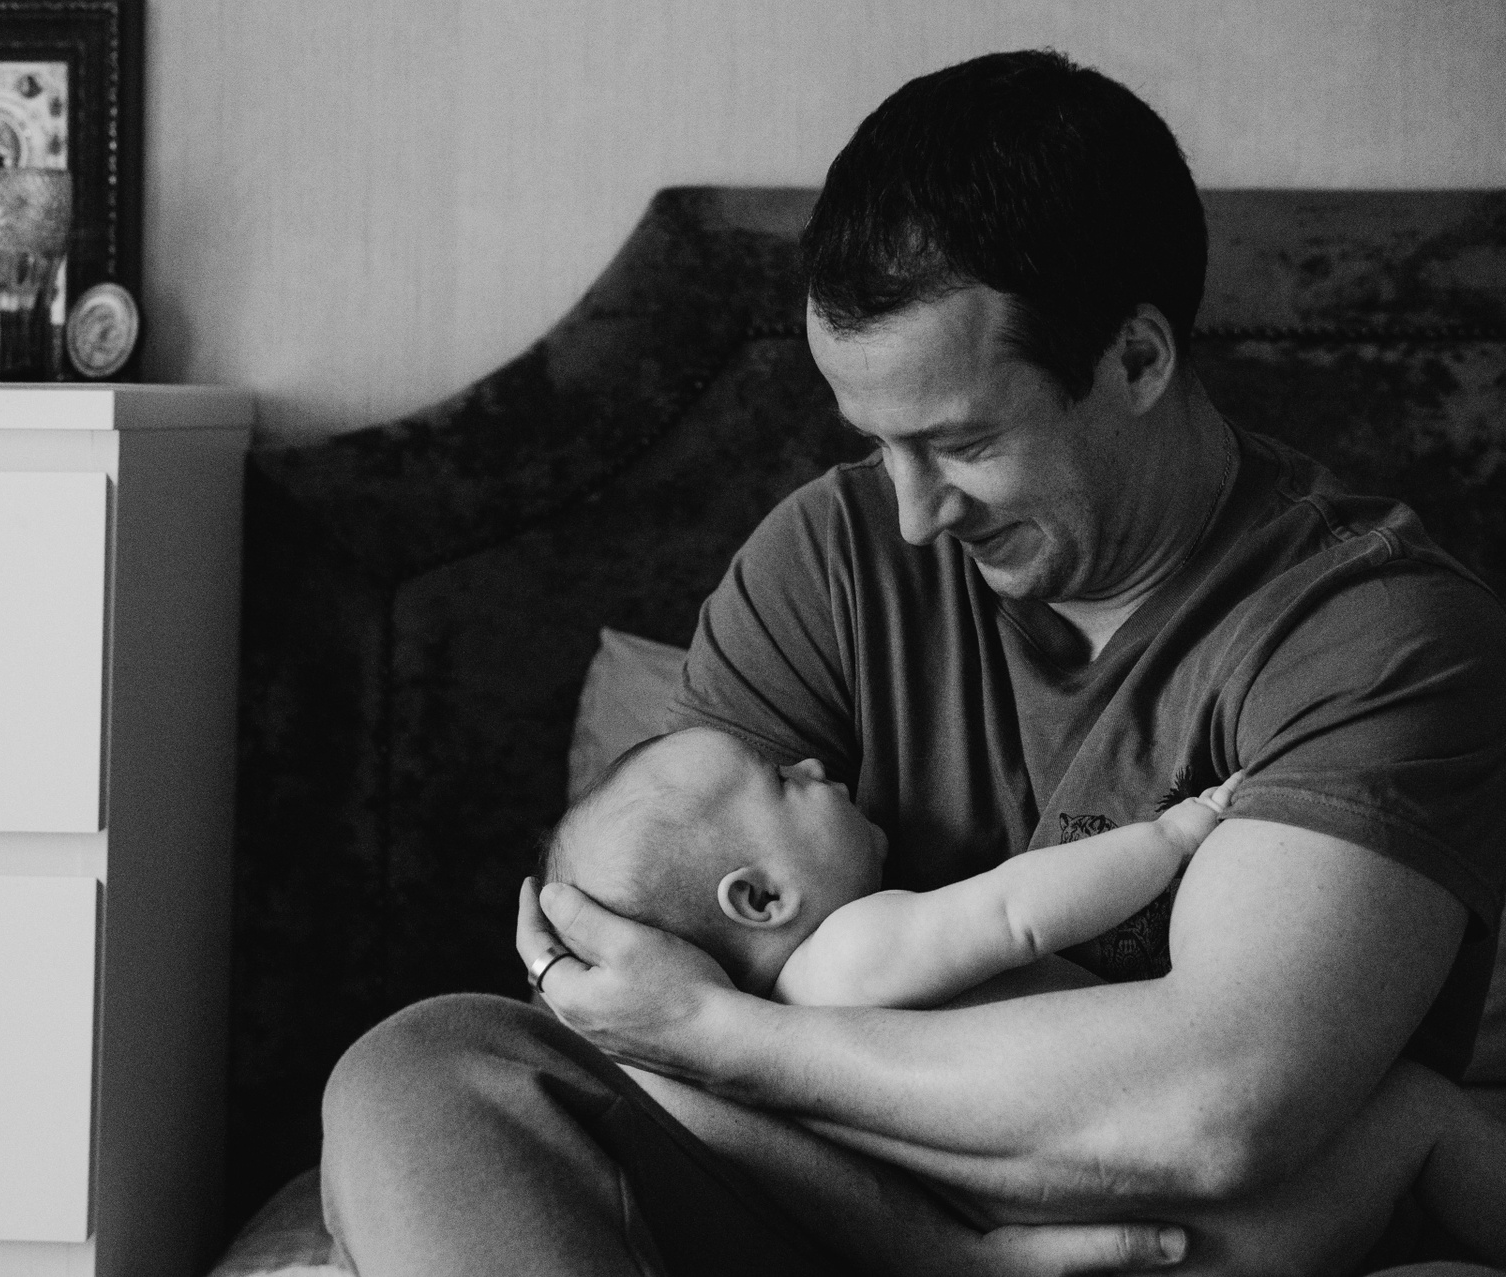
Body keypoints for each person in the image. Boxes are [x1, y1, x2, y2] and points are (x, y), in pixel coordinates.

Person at [321, 49, 1506, 1276]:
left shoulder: (1373, 633)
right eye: (879, 444)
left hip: (1157, 1243)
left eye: (963, 443)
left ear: (1138, 360)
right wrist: (932, 1248)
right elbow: (634, 1010)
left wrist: (730, 1037)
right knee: (423, 1068)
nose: (913, 512)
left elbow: (1214, 1110)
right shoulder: (831, 557)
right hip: (827, 1205)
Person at [535, 725, 1506, 1272]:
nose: (818, 767)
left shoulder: (759, 1064)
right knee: (1420, 1112)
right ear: (760, 899)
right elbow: (1017, 912)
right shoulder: (851, 954)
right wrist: (1175, 835)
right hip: (1208, 1204)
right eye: (784, 782)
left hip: (1134, 1242)